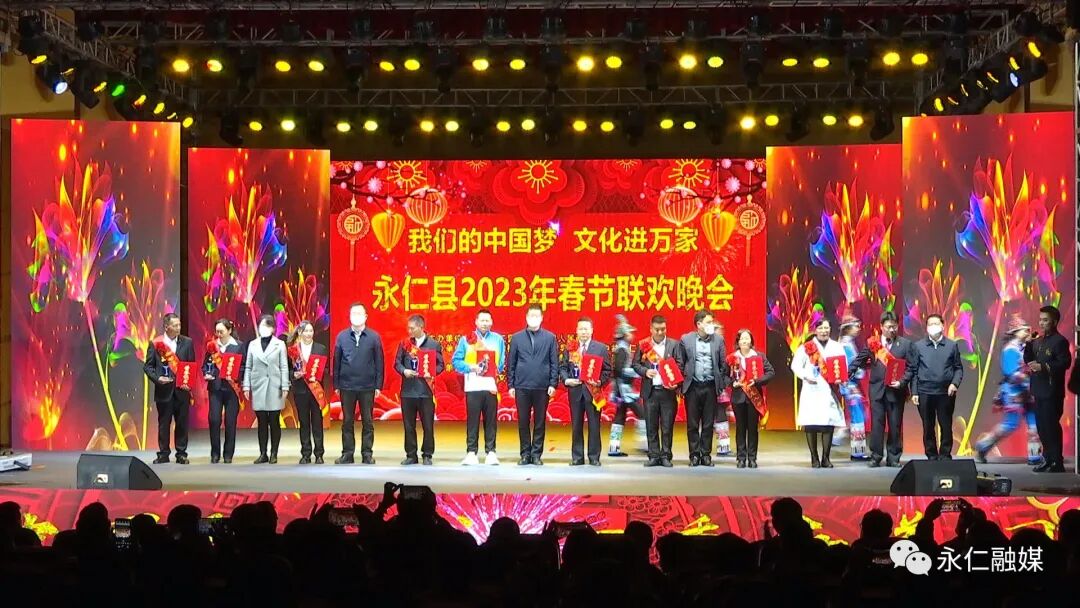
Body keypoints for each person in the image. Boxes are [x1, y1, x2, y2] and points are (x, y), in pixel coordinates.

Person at [976, 316, 1042, 465]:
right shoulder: (1010, 350)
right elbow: (1012, 374)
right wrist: (1030, 378)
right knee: (1010, 425)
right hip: (1014, 393)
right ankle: (982, 446)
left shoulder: (1026, 348)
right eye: (1025, 330)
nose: (1028, 332)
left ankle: (1035, 457)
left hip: (1029, 393)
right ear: (1016, 332)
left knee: (1034, 426)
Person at [451, 309, 506, 466]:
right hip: (473, 385)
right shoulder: (467, 339)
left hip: (490, 386)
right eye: (482, 320)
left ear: (492, 322)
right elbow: (456, 361)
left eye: (487, 320)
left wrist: (494, 367)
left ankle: (491, 452)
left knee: (491, 420)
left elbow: (501, 363)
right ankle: (471, 452)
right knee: (473, 420)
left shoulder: (498, 340)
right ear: (476, 322)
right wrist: (471, 367)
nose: (485, 323)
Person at [507, 303, 559, 466]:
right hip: (521, 386)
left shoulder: (550, 338)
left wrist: (553, 383)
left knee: (539, 422)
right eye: (531, 316)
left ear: (542, 318)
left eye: (537, 316)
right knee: (523, 421)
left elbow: (554, 362)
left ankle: (536, 454)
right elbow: (511, 363)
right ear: (526, 317)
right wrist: (511, 385)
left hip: (542, 387)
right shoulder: (517, 338)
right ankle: (525, 454)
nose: (533, 318)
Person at [790, 319, 846, 468]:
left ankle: (826, 458)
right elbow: (795, 365)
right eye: (820, 328)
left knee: (828, 424)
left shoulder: (837, 347)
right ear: (815, 330)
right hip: (811, 389)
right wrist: (805, 376)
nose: (824, 331)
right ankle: (814, 458)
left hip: (829, 390)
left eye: (826, 328)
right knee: (811, 424)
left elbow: (842, 365)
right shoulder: (807, 347)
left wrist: (840, 378)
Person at [333, 302, 383, 465]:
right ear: (349, 316)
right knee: (347, 421)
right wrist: (336, 384)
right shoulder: (342, 337)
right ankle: (347, 453)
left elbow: (379, 362)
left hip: (367, 386)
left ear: (366, 316)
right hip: (346, 386)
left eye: (359, 313)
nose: (356, 316)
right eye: (353, 313)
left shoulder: (374, 337)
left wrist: (378, 385)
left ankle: (367, 453)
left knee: (367, 421)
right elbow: (336, 361)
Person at [1024, 305, 1072, 473]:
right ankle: (1048, 459)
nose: (1041, 323)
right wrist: (1028, 344)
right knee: (1042, 427)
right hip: (1038, 390)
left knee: (1051, 426)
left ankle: (1057, 461)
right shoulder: (1039, 341)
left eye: (1045, 320)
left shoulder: (1060, 341)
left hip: (1052, 392)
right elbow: (1029, 359)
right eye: (1040, 320)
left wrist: (1043, 366)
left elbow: (1065, 363)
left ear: (1054, 322)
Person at [144, 313, 196, 465]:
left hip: (182, 390)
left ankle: (181, 453)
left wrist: (189, 383)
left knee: (182, 423)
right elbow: (148, 367)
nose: (178, 327)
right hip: (164, 390)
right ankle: (163, 454)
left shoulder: (187, 342)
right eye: (175, 325)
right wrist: (157, 379)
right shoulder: (156, 343)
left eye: (179, 325)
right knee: (164, 423)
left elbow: (191, 365)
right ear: (166, 327)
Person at [910, 313, 964, 460]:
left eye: (936, 324)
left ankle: (945, 454)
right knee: (928, 425)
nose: (933, 327)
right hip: (924, 391)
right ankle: (931, 455)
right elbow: (914, 370)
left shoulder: (952, 345)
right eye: (930, 324)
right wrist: (914, 392)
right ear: (926, 328)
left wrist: (954, 383)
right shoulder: (918, 346)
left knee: (945, 425)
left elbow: (958, 368)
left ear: (942, 326)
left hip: (945, 392)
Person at [679, 309, 729, 467]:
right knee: (692, 423)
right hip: (692, 387)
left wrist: (721, 383)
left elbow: (723, 364)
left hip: (710, 387)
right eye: (708, 322)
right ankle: (694, 455)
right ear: (699, 324)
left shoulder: (718, 340)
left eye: (712, 322)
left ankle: (706, 454)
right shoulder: (686, 339)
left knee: (708, 423)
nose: (711, 325)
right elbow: (681, 363)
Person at [559, 317, 612, 466]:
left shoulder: (600, 348)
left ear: (592, 331)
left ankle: (594, 457)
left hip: (593, 392)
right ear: (576, 331)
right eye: (581, 329)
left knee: (594, 425)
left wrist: (600, 381)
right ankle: (577, 457)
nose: (583, 332)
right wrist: (567, 380)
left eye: (586, 329)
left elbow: (607, 370)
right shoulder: (571, 348)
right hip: (575, 391)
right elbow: (562, 367)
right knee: (576, 425)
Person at [393, 314, 445, 466]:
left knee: (428, 425)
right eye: (408, 328)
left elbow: (441, 365)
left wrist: (432, 372)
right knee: (409, 425)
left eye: (412, 328)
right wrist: (404, 371)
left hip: (426, 392)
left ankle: (427, 454)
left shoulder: (433, 344)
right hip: (408, 391)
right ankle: (411, 455)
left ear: (421, 327)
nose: (409, 331)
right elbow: (397, 363)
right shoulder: (404, 344)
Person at [865, 311, 914, 468]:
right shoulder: (873, 344)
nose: (892, 330)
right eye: (888, 327)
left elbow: (911, 368)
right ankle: (876, 455)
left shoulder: (905, 344)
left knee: (895, 424)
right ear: (881, 326)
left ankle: (893, 457)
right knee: (877, 424)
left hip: (896, 391)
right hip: (877, 390)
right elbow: (863, 361)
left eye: (894, 326)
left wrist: (902, 382)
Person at [633, 315, 682, 468]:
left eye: (663, 329)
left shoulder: (674, 345)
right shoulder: (643, 345)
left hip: (668, 392)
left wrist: (675, 382)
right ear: (651, 329)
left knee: (667, 427)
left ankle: (666, 455)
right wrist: (645, 371)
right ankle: (654, 455)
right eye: (657, 329)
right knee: (651, 426)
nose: (660, 332)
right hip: (650, 391)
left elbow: (680, 364)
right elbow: (635, 364)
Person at [244, 315, 290, 464]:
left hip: (275, 385)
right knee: (262, 421)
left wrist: (285, 385)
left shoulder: (280, 344)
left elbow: (284, 366)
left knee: (274, 420)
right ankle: (263, 453)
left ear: (273, 328)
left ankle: (274, 453)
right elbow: (248, 366)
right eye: (262, 325)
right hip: (258, 385)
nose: (264, 328)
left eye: (268, 326)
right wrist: (246, 385)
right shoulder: (253, 344)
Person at [727, 329, 774, 468]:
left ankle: (752, 458)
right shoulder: (732, 358)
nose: (745, 341)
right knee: (740, 428)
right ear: (738, 342)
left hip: (754, 397)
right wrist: (732, 383)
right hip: (738, 397)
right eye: (742, 339)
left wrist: (758, 381)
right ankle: (741, 458)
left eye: (747, 338)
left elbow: (770, 372)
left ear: (751, 341)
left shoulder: (759, 356)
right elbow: (724, 375)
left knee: (753, 428)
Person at [203, 318, 244, 464]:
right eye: (217, 332)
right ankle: (215, 453)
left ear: (229, 331)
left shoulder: (238, 346)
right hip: (215, 388)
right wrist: (206, 374)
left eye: (221, 331)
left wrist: (236, 375)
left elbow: (243, 366)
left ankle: (228, 454)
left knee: (230, 422)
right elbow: (205, 365)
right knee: (214, 420)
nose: (219, 334)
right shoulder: (212, 346)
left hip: (232, 389)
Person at [287, 320, 328, 464]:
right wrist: (294, 375)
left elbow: (325, 369)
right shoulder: (293, 350)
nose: (309, 333)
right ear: (300, 332)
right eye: (306, 331)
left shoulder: (321, 349)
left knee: (317, 422)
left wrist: (318, 375)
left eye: (311, 331)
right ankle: (305, 453)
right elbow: (287, 369)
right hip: (300, 390)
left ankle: (319, 454)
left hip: (316, 390)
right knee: (304, 422)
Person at [607, 314, 645, 457]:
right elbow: (620, 370)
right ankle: (644, 444)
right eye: (629, 332)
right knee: (643, 415)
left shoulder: (622, 349)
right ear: (624, 335)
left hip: (622, 389)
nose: (631, 335)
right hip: (625, 390)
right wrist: (639, 372)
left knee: (620, 417)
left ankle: (614, 447)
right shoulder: (622, 350)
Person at [838, 316, 869, 460]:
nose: (858, 329)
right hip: (850, 385)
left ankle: (844, 432)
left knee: (860, 415)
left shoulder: (848, 344)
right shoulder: (846, 346)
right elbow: (850, 368)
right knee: (858, 416)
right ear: (848, 328)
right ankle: (857, 451)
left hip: (851, 384)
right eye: (856, 326)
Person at [713, 323, 736, 458]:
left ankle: (723, 447)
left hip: (719, 389)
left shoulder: (721, 349)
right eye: (718, 332)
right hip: (706, 388)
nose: (721, 335)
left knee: (721, 416)